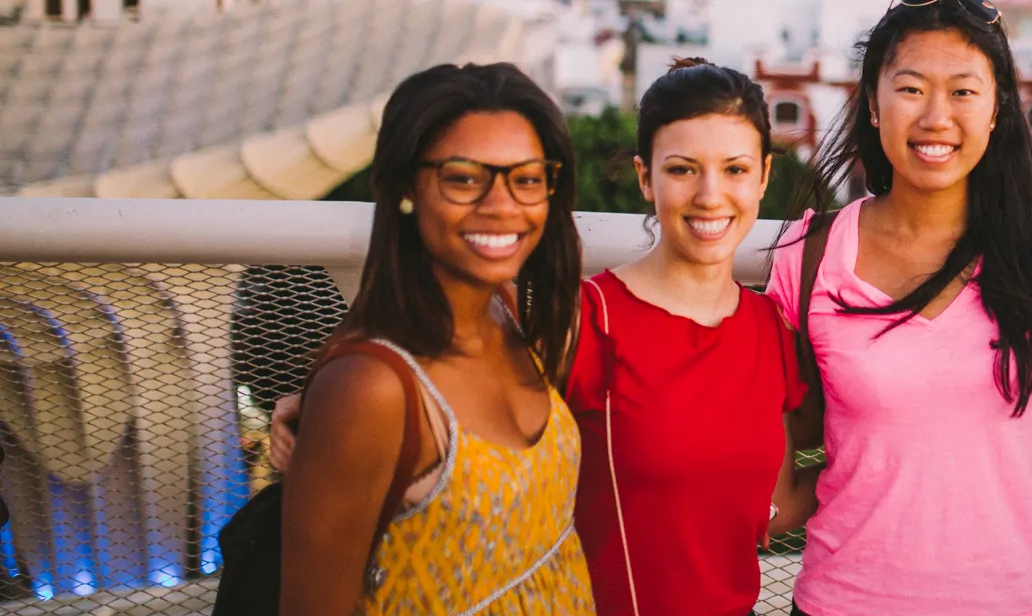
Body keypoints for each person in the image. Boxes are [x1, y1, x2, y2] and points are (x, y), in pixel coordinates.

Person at [767, 0, 1032, 616]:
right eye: (912, 88)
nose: (936, 118)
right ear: (872, 104)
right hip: (843, 601)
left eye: (964, 92)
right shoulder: (808, 257)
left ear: (998, 109)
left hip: (1009, 601)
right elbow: (797, 430)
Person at [279, 63, 593, 615]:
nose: (501, 206)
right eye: (464, 177)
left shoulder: (515, 315)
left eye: (526, 178)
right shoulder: (372, 387)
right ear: (406, 188)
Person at [566, 58, 811, 616]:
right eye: (681, 169)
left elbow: (775, 504)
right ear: (644, 178)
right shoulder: (587, 319)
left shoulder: (769, 328)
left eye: (734, 169)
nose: (709, 195)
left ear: (764, 177)